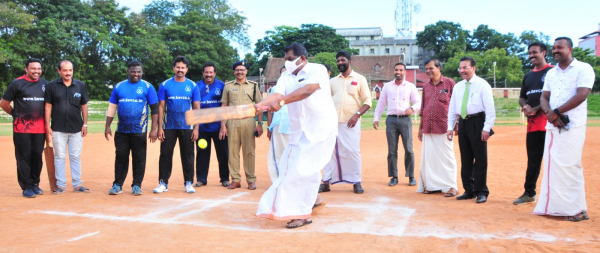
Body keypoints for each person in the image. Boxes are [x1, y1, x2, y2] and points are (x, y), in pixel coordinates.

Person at [255, 43, 337, 229]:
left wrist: (282, 101)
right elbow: (276, 94)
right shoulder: (285, 75)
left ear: (302, 58)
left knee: (301, 168)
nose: (287, 62)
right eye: (285, 59)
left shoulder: (318, 70)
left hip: (320, 129)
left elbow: (307, 91)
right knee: (291, 166)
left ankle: (302, 213)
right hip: (298, 130)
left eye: (290, 59)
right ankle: (313, 199)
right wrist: (259, 106)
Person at [534, 37, 595, 222]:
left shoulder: (583, 68)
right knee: (554, 166)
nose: (555, 50)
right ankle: (556, 207)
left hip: (573, 124)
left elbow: (582, 94)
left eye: (559, 47)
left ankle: (577, 210)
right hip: (553, 126)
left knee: (570, 165)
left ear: (570, 49)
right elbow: (544, 97)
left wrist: (558, 112)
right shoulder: (552, 73)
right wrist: (549, 113)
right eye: (553, 48)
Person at [320, 50, 372, 194]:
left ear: (350, 61)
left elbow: (368, 102)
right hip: (332, 123)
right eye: (338, 61)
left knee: (353, 151)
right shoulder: (333, 81)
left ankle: (356, 182)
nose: (340, 63)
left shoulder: (360, 79)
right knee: (329, 152)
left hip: (351, 123)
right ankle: (326, 182)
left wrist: (356, 115)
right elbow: (326, 101)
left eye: (342, 60)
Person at [105, 60, 159, 196]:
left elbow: (155, 109)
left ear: (142, 72)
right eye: (133, 71)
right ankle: (117, 184)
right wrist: (107, 126)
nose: (136, 74)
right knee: (121, 157)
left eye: (139, 71)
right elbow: (112, 107)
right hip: (122, 130)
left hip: (139, 131)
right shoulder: (119, 86)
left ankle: (136, 185)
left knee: (139, 158)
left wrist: (153, 129)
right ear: (127, 71)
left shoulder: (148, 87)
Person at [446, 56, 496, 204]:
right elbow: (453, 109)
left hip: (478, 122)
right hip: (463, 123)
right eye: (460, 68)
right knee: (466, 158)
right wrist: (450, 127)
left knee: (480, 159)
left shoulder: (482, 85)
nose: (462, 71)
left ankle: (481, 191)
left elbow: (490, 110)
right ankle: (469, 190)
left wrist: (486, 128)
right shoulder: (458, 86)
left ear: (473, 68)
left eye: (465, 68)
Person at [513, 42, 553, 205]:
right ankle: (529, 193)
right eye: (529, 53)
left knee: (554, 160)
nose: (531, 55)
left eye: (535, 52)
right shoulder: (528, 76)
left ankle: (554, 195)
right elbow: (522, 97)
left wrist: (536, 108)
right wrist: (526, 107)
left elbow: (554, 96)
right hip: (533, 126)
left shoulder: (552, 72)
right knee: (533, 161)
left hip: (551, 124)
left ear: (544, 53)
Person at [153, 56, 200, 194]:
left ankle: (188, 182)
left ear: (187, 69)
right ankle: (163, 183)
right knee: (165, 154)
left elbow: (197, 108)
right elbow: (161, 106)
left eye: (183, 67)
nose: (180, 70)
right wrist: (159, 127)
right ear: (173, 68)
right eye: (178, 67)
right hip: (169, 126)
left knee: (188, 155)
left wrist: (196, 128)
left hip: (187, 126)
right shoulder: (165, 85)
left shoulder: (192, 85)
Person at [1, 58, 47, 198]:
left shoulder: (44, 84)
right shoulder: (17, 83)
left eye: (38, 68)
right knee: (24, 157)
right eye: (33, 68)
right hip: (22, 128)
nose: (36, 71)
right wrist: (15, 115)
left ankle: (35, 184)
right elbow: (4, 103)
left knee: (37, 157)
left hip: (40, 128)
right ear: (26, 69)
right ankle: (26, 186)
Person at [44, 60, 90, 194]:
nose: (68, 73)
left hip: (76, 127)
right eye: (65, 70)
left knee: (75, 156)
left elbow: (84, 105)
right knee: (59, 157)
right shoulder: (51, 86)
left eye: (70, 70)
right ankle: (61, 185)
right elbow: (48, 106)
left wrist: (85, 123)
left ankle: (77, 184)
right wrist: (47, 126)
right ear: (59, 71)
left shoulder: (80, 85)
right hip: (58, 127)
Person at [416, 59, 459, 197]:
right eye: (426, 69)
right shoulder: (426, 87)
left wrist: (456, 124)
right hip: (428, 126)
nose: (428, 71)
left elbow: (456, 105)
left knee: (447, 157)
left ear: (439, 68)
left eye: (431, 68)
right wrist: (420, 128)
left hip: (445, 126)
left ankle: (451, 186)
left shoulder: (449, 83)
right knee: (430, 157)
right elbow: (423, 108)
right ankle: (433, 185)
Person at [373, 63, 421, 186]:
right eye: (396, 70)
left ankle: (411, 176)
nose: (398, 72)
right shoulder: (387, 86)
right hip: (391, 120)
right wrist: (376, 118)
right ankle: (394, 176)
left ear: (405, 72)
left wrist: (412, 108)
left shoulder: (410, 86)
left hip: (405, 120)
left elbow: (418, 102)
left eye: (401, 70)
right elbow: (381, 103)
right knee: (392, 151)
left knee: (409, 149)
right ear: (393, 71)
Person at [221, 60, 263, 190]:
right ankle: (235, 179)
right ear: (234, 72)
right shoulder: (228, 86)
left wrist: (260, 124)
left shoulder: (253, 85)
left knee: (249, 151)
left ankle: (251, 180)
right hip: (232, 122)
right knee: (233, 151)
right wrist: (223, 125)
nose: (239, 72)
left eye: (242, 70)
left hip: (248, 122)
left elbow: (259, 106)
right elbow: (224, 106)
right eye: (237, 70)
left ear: (246, 71)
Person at [194, 62, 230, 188]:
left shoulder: (222, 85)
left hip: (219, 127)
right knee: (202, 153)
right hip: (202, 127)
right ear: (203, 73)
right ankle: (201, 179)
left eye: (211, 72)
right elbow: (194, 107)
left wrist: (223, 125)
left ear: (215, 73)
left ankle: (225, 178)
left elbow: (225, 106)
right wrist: (196, 127)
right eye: (206, 72)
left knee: (223, 153)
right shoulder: (196, 86)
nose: (208, 74)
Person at [266, 66, 290, 183]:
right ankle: (278, 181)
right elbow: (270, 110)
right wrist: (269, 127)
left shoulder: (296, 88)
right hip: (278, 125)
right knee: (276, 155)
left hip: (292, 126)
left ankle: (290, 181)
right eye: (283, 73)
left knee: (292, 155)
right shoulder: (275, 90)